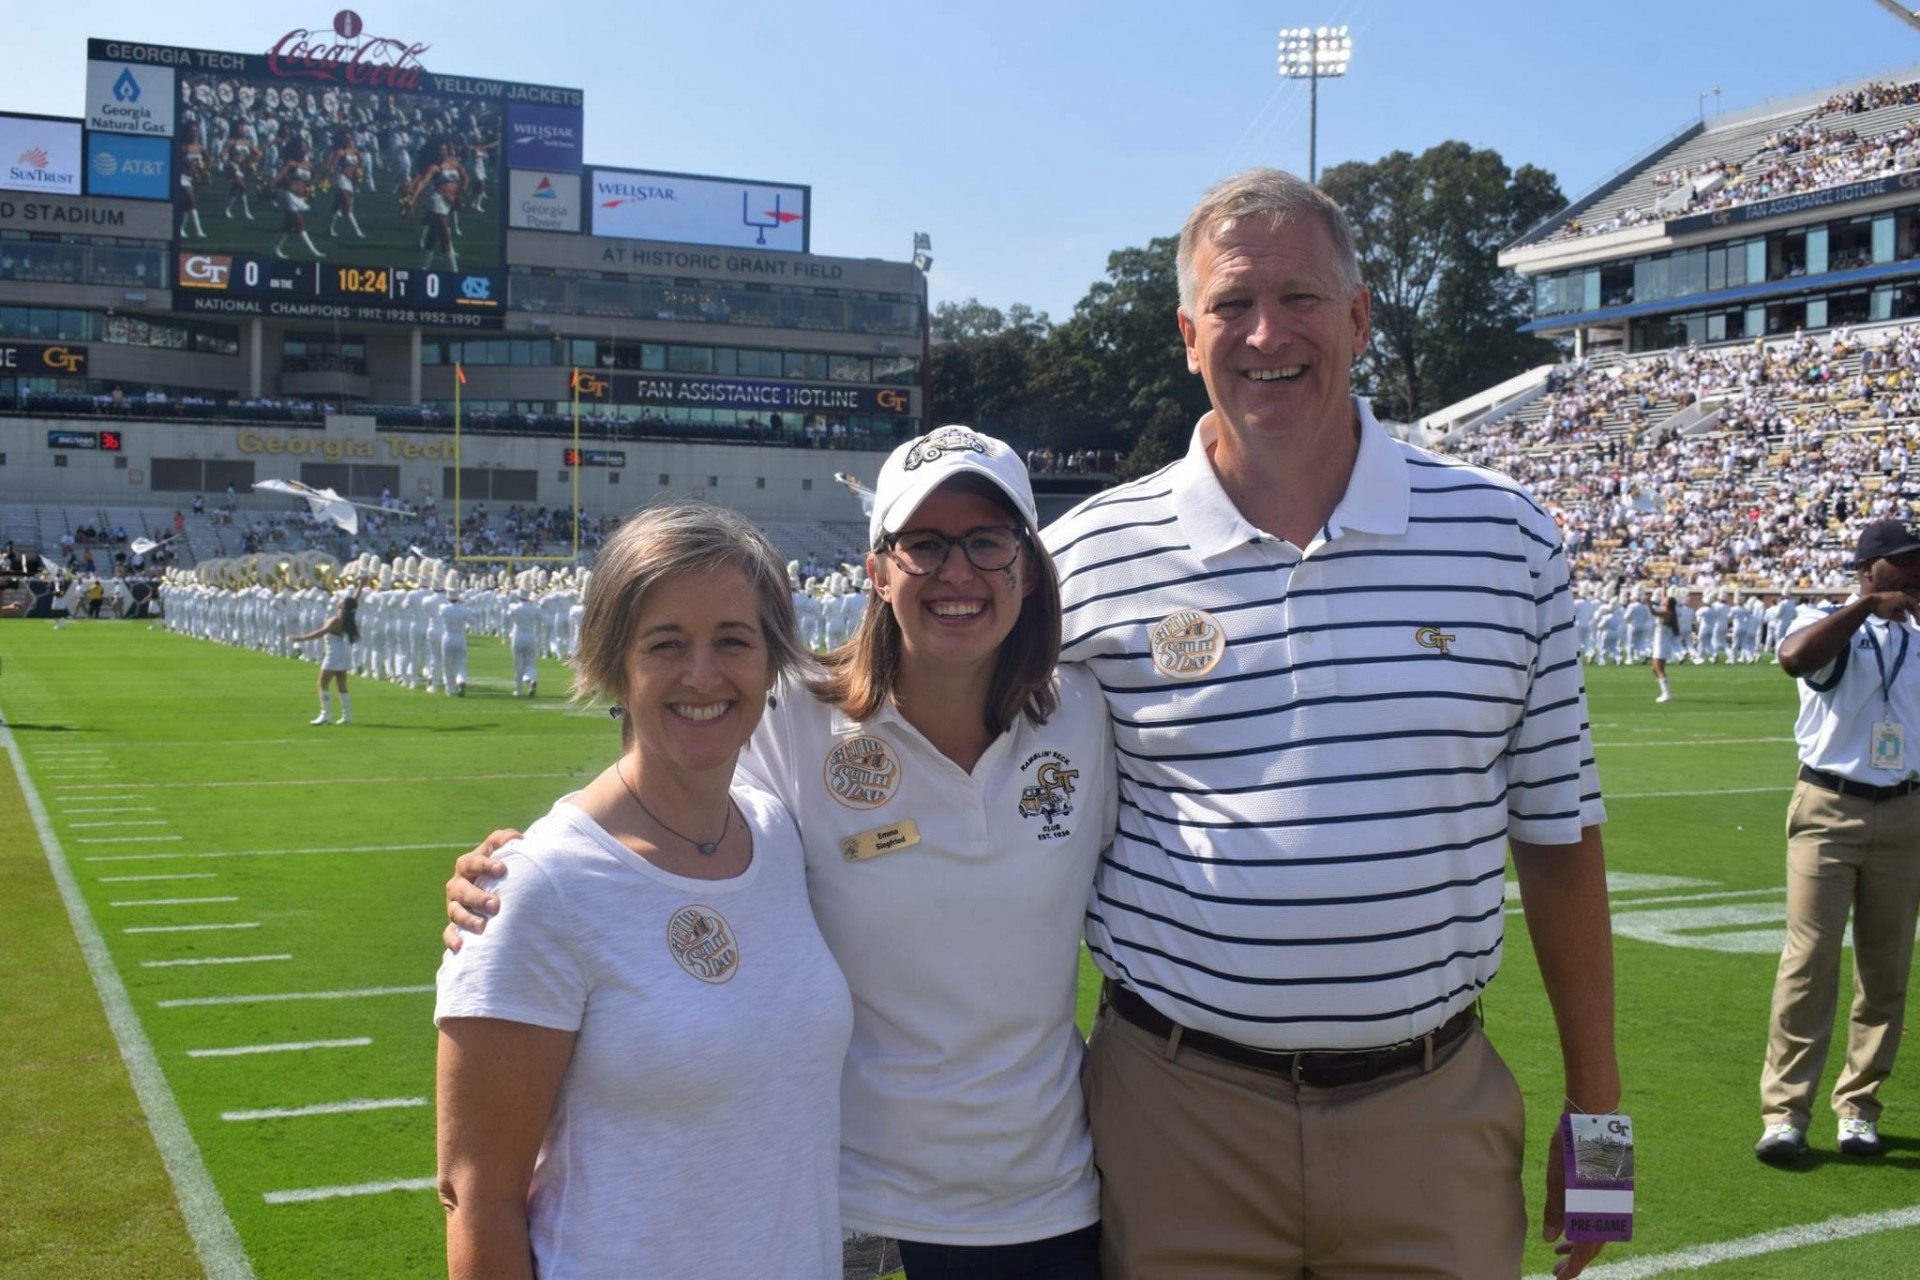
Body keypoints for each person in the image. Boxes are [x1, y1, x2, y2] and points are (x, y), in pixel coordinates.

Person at [1042, 168, 1616, 1279]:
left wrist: (1599, 1122)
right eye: (1233, 305)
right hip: (1174, 1111)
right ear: (1186, 332)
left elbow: (1560, 835)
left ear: (1358, 315)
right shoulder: (1086, 559)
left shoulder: (1506, 538)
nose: (1267, 334)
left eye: (1300, 297)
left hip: (1430, 1108)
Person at [449, 428, 1116, 1277]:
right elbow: (672, 818)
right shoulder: (792, 719)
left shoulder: (1088, 717)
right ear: (877, 570)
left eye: (988, 541)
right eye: (923, 544)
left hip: (1036, 1196)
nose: (958, 571)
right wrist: (517, 876)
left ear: (1029, 564)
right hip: (833, 1203)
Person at [434, 503, 850, 1278]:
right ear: (611, 663)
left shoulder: (783, 835)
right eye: (667, 645)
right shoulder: (538, 886)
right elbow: (475, 1196)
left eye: (734, 641)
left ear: (770, 662)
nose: (703, 675)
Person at [1755, 518, 1920, 1165]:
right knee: (1809, 963)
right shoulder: (1830, 621)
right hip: (1829, 806)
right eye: (1899, 565)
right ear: (1866, 569)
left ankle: (1859, 1108)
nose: (1912, 574)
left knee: (1885, 971)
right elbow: (1795, 658)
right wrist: (1865, 609)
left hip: (1906, 812)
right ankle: (1785, 1115)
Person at [290, 586, 359, 725]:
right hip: (341, 651)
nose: (339, 600)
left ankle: (325, 714)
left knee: (322, 683)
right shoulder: (347, 616)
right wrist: (361, 586)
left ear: (343, 606)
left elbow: (321, 632)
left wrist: (300, 638)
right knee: (341, 685)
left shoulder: (336, 620)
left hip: (334, 653)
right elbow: (354, 601)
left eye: (342, 601)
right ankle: (347, 716)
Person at [1652, 592, 1682, 702]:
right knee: (1654, 669)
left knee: (1659, 669)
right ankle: (1665, 692)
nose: (1663, 600)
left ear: (1668, 604)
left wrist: (1648, 603)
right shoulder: (1668, 612)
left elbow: (1654, 612)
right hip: (1659, 643)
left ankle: (1667, 694)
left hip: (1661, 645)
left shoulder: (1667, 613)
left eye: (1665, 600)